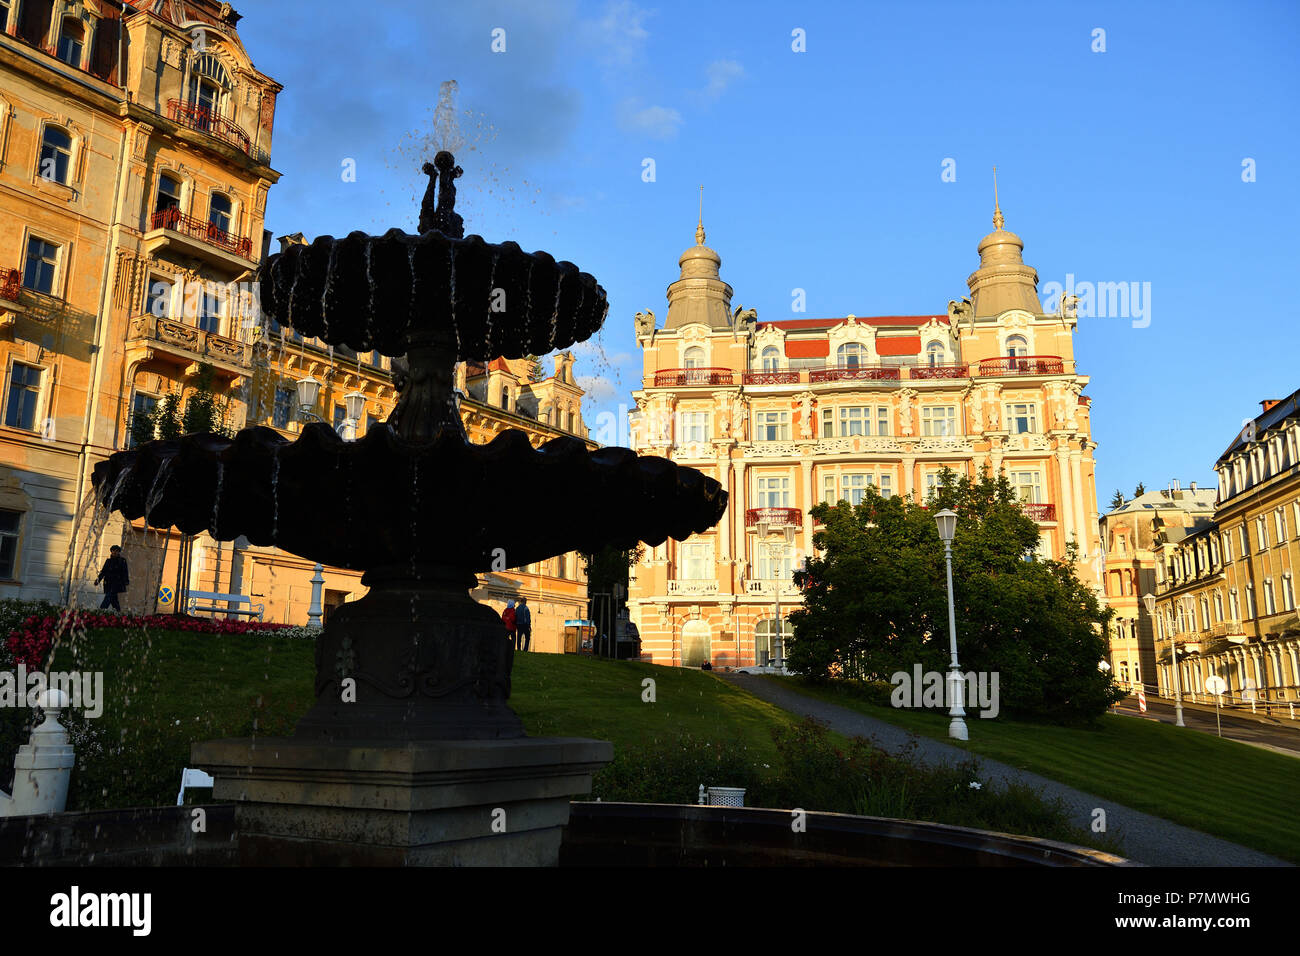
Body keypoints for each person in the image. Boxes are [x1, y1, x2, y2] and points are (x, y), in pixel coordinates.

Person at [95, 545, 129, 611]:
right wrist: (98, 580)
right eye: (113, 551)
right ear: (111, 552)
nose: (114, 552)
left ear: (119, 552)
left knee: (109, 596)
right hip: (108, 583)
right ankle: (118, 612)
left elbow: (125, 571)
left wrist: (126, 581)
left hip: (117, 583)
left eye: (116, 551)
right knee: (114, 600)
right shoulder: (108, 561)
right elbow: (103, 571)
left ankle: (101, 611)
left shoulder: (122, 561)